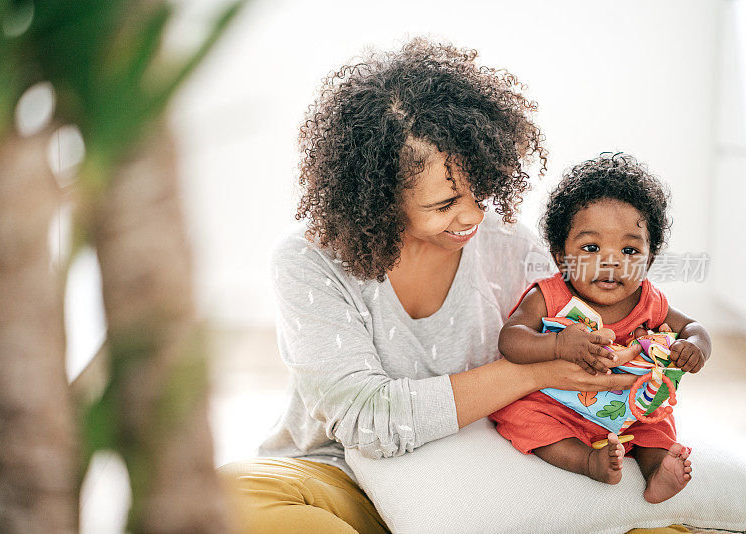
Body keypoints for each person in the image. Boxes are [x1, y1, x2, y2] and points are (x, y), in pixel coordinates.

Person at [216, 38, 687, 534]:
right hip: (343, 475)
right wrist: (533, 373)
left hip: (482, 475)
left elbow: (620, 319)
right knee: (234, 497)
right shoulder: (310, 259)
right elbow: (368, 422)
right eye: (444, 205)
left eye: (479, 190)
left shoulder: (510, 246)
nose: (473, 216)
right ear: (378, 195)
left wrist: (637, 362)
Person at [489, 153, 712, 504]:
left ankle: (657, 471)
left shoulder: (648, 301)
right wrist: (559, 345)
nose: (611, 261)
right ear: (562, 256)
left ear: (649, 260)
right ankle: (586, 461)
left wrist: (695, 346)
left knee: (655, 423)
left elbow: (694, 327)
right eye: (591, 248)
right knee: (522, 417)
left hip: (627, 405)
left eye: (629, 249)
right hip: (558, 403)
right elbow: (511, 340)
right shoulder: (550, 295)